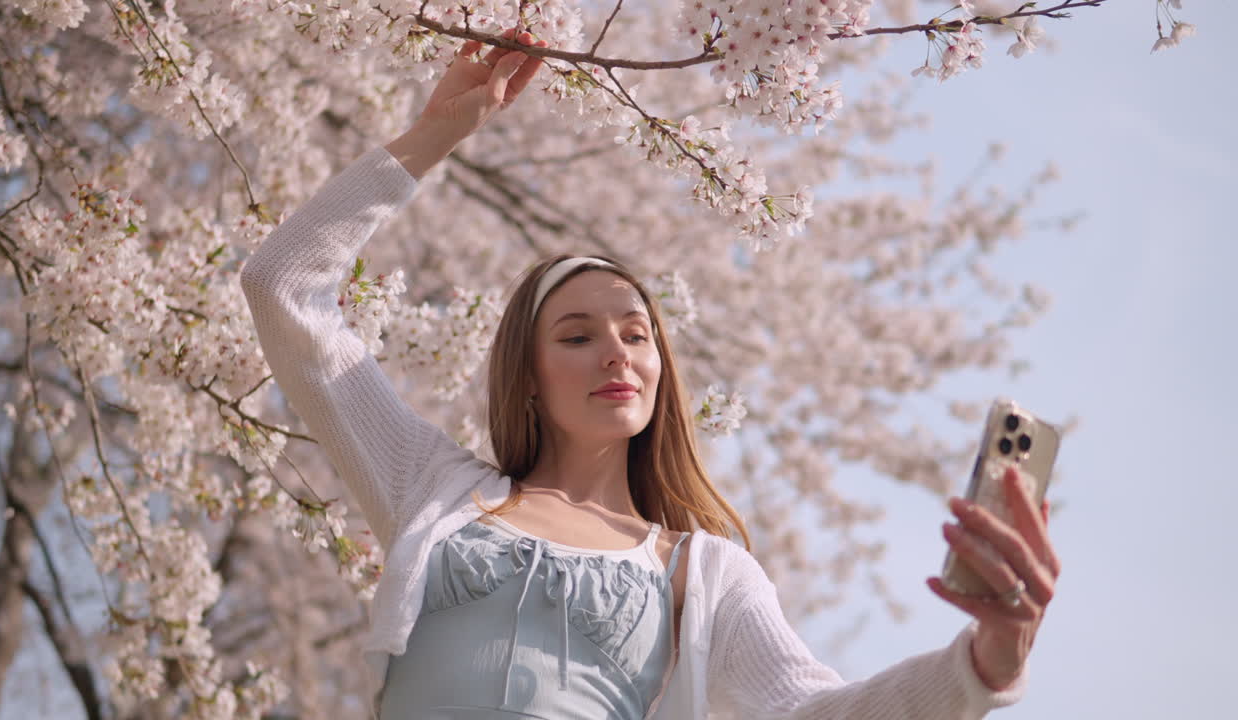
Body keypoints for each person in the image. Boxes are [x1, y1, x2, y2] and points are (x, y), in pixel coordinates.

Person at [239, 29, 1061, 720]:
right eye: (576, 334)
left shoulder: (704, 572)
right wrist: (433, 135)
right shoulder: (434, 489)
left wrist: (982, 665)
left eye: (637, 334)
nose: (616, 353)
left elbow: (818, 711)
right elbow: (284, 287)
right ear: (526, 376)